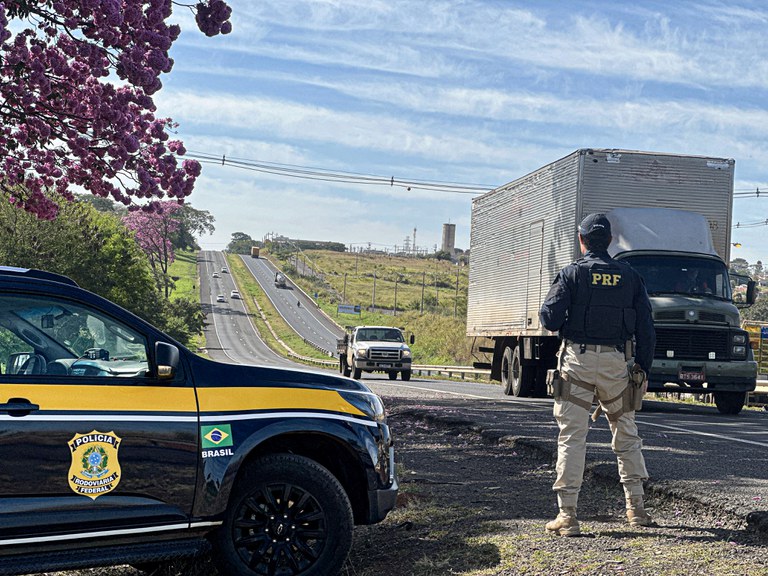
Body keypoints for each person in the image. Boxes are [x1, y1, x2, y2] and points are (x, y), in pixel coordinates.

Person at [539, 213, 656, 537]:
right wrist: (642, 368)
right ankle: (636, 509)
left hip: (577, 362)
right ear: (610, 241)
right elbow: (647, 328)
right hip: (617, 366)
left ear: (581, 240)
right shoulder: (630, 276)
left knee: (572, 437)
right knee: (626, 434)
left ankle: (568, 516)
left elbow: (549, 318)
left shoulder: (572, 274)